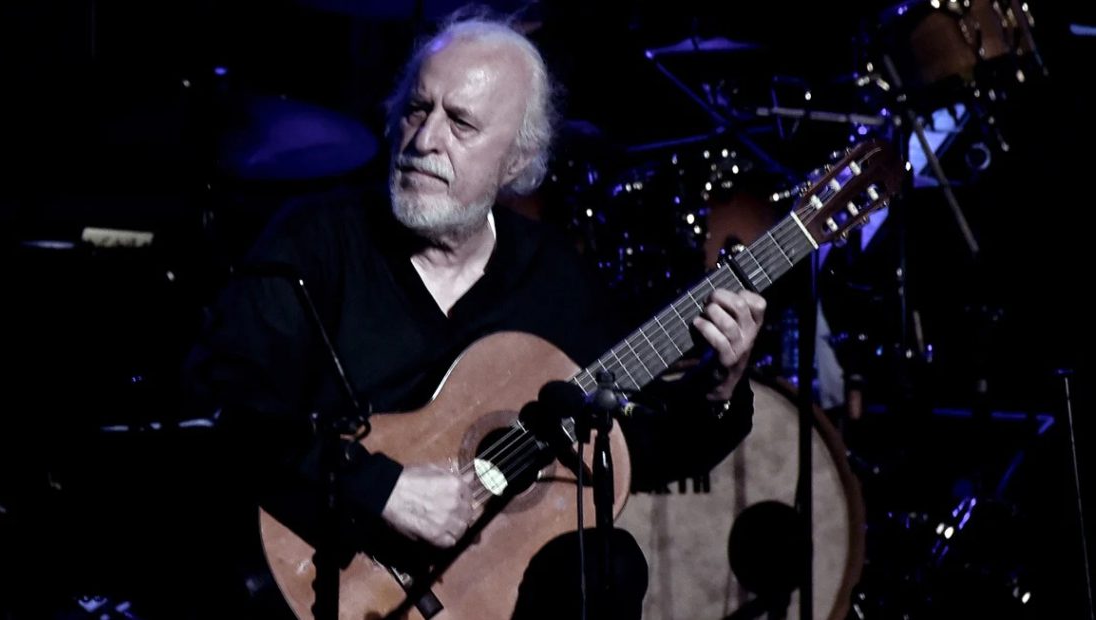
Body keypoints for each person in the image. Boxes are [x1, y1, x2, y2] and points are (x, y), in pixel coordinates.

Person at [182, 11, 766, 619]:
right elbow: (220, 400)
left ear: (517, 161)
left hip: (490, 598)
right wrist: (379, 488)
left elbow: (634, 450)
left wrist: (720, 389)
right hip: (322, 582)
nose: (424, 140)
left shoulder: (554, 279)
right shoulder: (316, 242)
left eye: (460, 123)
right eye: (417, 109)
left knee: (608, 564)